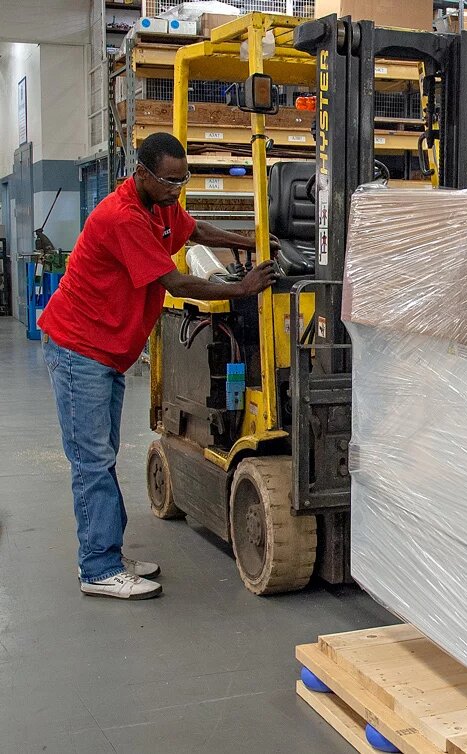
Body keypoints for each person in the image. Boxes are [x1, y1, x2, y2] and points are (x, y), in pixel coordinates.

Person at [38, 132, 279, 600]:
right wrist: (242, 288)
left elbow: (194, 231)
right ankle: (99, 567)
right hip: (79, 349)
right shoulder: (122, 216)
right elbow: (176, 281)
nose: (177, 190)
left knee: (100, 457)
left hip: (106, 352)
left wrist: (250, 241)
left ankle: (107, 553)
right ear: (142, 174)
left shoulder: (162, 203)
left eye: (182, 180)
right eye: (169, 181)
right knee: (92, 462)